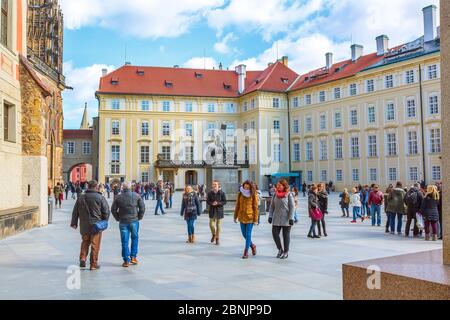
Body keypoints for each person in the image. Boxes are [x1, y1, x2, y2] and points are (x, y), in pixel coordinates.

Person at [70, 180, 110, 271]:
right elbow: (106, 212)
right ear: (96, 187)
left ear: (88, 186)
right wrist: (104, 221)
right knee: (95, 245)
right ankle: (93, 264)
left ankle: (82, 258)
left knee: (85, 242)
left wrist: (74, 223)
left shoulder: (81, 197)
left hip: (84, 225)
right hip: (96, 225)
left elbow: (75, 212)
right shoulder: (100, 198)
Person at [111, 182, 146, 268]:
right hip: (134, 220)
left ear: (122, 188)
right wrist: (139, 217)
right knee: (135, 238)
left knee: (124, 241)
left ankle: (126, 260)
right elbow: (142, 208)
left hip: (123, 221)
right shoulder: (137, 195)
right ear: (131, 187)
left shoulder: (118, 197)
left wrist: (117, 218)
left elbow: (113, 209)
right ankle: (133, 257)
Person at [269, 179, 295, 259]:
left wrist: (291, 218)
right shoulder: (275, 195)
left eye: (280, 185)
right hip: (276, 218)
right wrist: (270, 216)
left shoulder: (289, 195)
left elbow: (292, 207)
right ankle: (280, 249)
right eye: (277, 185)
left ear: (284, 186)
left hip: (286, 219)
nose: (278, 186)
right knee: (275, 234)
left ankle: (286, 252)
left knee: (285, 236)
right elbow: (272, 206)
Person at [234, 181, 259, 259]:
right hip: (241, 217)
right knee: (244, 234)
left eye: (248, 187)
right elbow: (237, 205)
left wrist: (256, 219)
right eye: (245, 187)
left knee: (248, 234)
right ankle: (252, 245)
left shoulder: (253, 194)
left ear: (250, 187)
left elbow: (255, 207)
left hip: (250, 217)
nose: (246, 188)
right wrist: (235, 216)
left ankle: (246, 252)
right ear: (243, 186)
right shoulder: (240, 193)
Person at [206, 181, 227, 245]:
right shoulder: (210, 193)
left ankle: (217, 238)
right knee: (211, 224)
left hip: (219, 210)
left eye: (216, 184)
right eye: (213, 184)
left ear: (218, 185)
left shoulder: (222, 193)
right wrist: (212, 203)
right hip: (212, 210)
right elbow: (208, 201)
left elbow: (225, 202)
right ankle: (214, 234)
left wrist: (218, 203)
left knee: (218, 225)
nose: (214, 185)